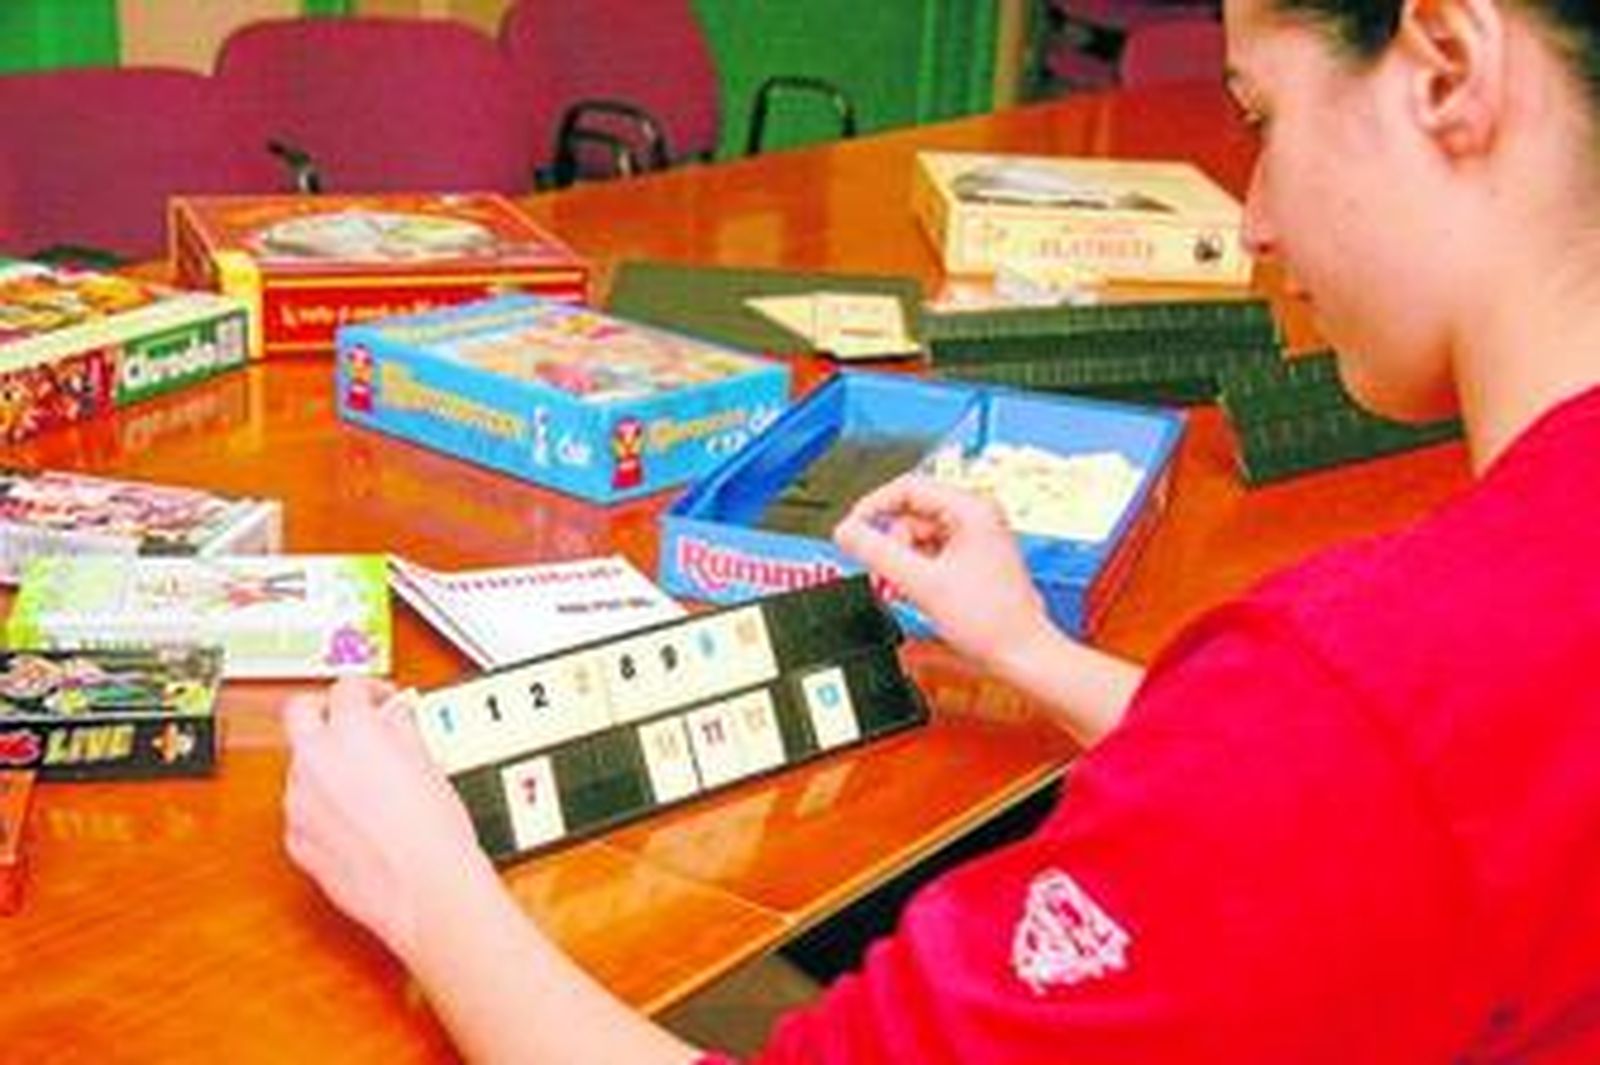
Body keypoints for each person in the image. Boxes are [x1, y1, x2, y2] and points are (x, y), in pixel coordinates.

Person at [281, 0, 1600, 1059]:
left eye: (1259, 115)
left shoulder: (1351, 701)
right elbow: (1401, 818)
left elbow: (1351, 764)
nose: (1251, 215)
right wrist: (1034, 650)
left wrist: (429, 893)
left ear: (1445, 68)